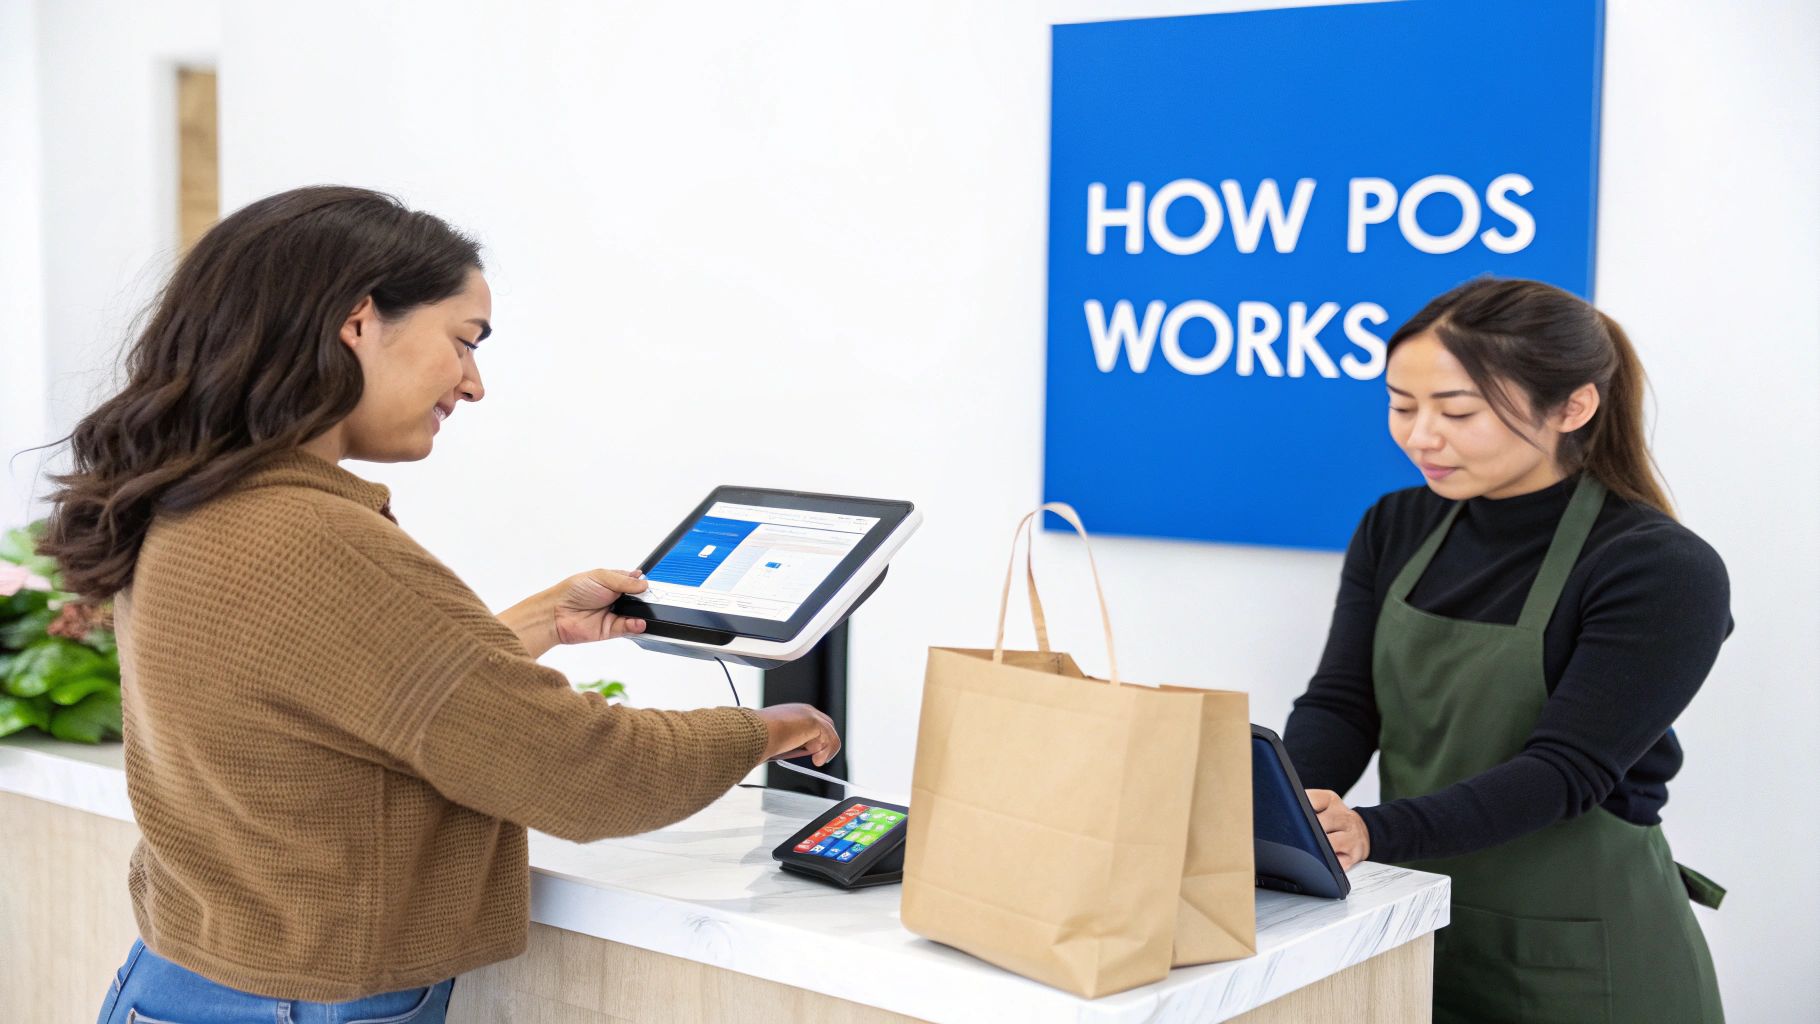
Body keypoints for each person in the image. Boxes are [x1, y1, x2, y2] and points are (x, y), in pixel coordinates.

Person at [41, 185, 842, 1023]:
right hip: (300, 1006)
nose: (474, 383)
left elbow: (330, 701)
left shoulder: (199, 504)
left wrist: (534, 626)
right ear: (357, 322)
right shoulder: (314, 537)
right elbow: (585, 774)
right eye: (464, 342)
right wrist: (774, 728)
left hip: (182, 985)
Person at [1283, 277, 1729, 1023]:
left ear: (1572, 407)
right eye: (1401, 404)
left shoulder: (1658, 568)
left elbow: (1566, 771)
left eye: (1458, 410)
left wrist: (1367, 831)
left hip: (1586, 964)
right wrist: (1287, 813)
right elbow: (1343, 702)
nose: (1421, 436)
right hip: (1414, 930)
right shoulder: (1395, 524)